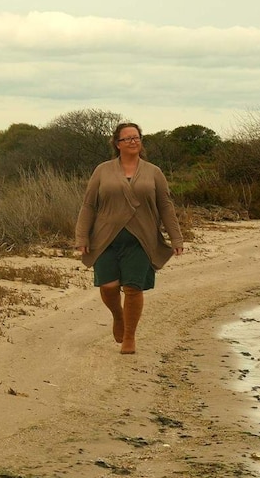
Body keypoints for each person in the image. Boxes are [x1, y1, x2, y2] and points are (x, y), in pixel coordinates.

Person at [75, 122, 184, 354]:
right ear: (117, 144)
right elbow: (88, 206)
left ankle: (129, 337)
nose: (134, 141)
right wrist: (82, 236)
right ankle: (118, 316)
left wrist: (176, 238)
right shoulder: (102, 170)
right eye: (128, 138)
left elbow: (165, 206)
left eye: (137, 137)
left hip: (141, 239)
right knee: (108, 286)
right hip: (106, 238)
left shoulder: (154, 172)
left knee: (133, 288)